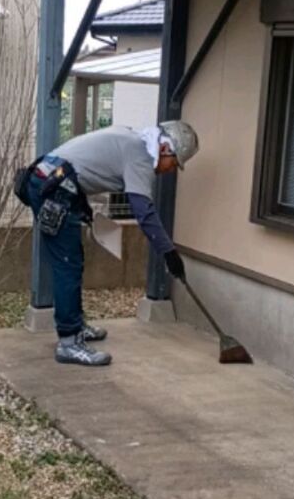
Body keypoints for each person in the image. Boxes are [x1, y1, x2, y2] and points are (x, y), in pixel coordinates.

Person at [23, 121, 199, 367]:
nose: (171, 170)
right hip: (53, 186)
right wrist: (169, 252)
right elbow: (144, 212)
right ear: (165, 149)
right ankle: (69, 342)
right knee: (67, 264)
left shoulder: (132, 139)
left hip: (53, 180)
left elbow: (86, 168)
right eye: (175, 163)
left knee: (73, 261)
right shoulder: (141, 157)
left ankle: (76, 327)